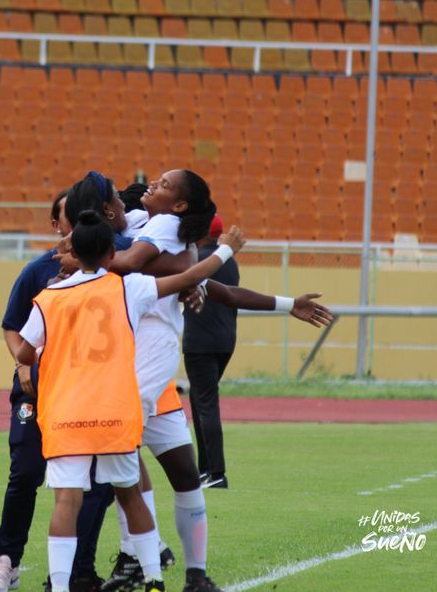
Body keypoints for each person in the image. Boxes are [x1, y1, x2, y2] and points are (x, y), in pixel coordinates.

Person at [62, 170, 331, 592]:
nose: (154, 183)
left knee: (116, 446)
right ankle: (194, 575)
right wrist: (278, 301)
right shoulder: (143, 223)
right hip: (139, 355)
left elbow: (150, 267)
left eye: (165, 184)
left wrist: (83, 260)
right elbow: (197, 277)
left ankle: (139, 555)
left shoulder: (165, 226)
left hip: (147, 355)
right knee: (184, 473)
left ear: (180, 206)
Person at [16, 210, 246, 592]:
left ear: (72, 252)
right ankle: (154, 579)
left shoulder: (49, 297)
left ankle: (59, 587)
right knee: (130, 493)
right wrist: (225, 251)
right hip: (113, 413)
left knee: (66, 501)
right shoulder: (129, 287)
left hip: (65, 413)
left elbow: (25, 354)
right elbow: (189, 278)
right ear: (111, 255)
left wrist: (50, 353)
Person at [0, 188, 128, 592]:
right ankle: (7, 561)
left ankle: (77, 570)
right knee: (26, 472)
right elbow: (12, 325)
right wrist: (23, 362)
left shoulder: (111, 277)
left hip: (86, 397)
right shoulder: (37, 272)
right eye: (69, 216)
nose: (77, 222)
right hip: (38, 393)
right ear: (56, 224)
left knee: (95, 484)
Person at [183, 215, 238, 489]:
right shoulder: (230, 261)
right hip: (225, 339)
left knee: (205, 404)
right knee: (200, 400)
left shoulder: (198, 262)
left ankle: (216, 473)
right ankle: (206, 470)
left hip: (200, 341)